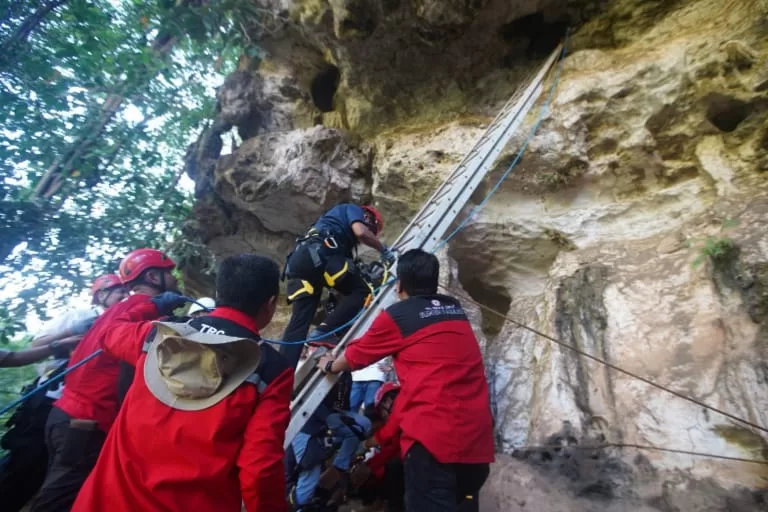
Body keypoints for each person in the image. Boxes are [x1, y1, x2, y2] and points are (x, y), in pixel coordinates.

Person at [71, 254, 293, 512]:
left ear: (219, 292)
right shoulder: (271, 370)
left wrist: (152, 306)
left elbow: (108, 333)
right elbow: (260, 468)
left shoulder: (158, 334)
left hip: (104, 502)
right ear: (270, 304)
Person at [317, 249, 495, 512]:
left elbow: (356, 355)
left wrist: (330, 363)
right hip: (477, 449)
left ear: (399, 284)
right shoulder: (455, 311)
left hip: (435, 449)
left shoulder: (399, 315)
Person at [30, 249, 180, 512]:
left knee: (69, 494)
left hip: (75, 418)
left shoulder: (124, 309)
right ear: (154, 277)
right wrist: (154, 305)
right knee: (57, 501)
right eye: (169, 273)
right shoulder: (134, 307)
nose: (175, 278)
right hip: (84, 422)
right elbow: (115, 334)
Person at [0, 274, 127, 512]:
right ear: (101, 294)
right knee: (23, 466)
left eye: (126, 291)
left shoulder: (124, 321)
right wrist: (70, 333)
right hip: (49, 401)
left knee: (56, 478)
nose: (124, 295)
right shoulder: (80, 316)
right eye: (118, 291)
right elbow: (36, 345)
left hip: (82, 409)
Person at [281, 203, 393, 369]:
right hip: (321, 252)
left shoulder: (332, 228)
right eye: (373, 229)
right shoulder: (353, 209)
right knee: (361, 291)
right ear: (368, 217)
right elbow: (361, 232)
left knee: (298, 324)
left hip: (299, 261)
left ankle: (281, 373)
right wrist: (383, 250)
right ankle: (323, 332)